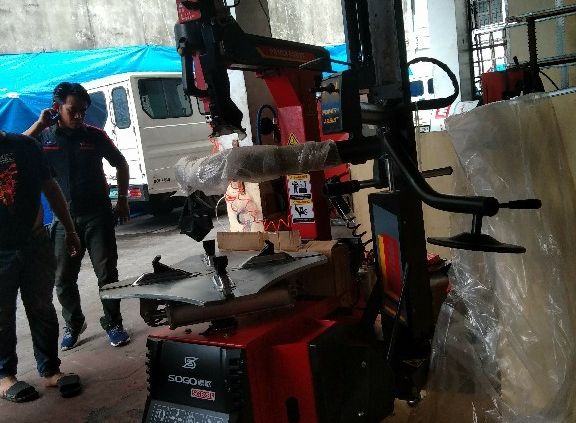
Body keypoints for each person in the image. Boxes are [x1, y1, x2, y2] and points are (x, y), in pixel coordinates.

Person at [24, 82, 131, 350]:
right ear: (57, 108)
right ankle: (74, 323)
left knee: (107, 274)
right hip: (64, 220)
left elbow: (120, 163)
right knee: (63, 279)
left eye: (83, 110)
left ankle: (113, 323)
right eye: (73, 110)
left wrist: (123, 199)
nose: (79, 116)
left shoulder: (95, 136)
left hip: (98, 217)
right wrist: (39, 124)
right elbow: (18, 147)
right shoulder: (44, 138)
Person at [0, 130, 82, 402]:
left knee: (42, 308)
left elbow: (50, 188)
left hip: (34, 243)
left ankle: (50, 371)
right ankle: (5, 376)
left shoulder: (26, 146)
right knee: (2, 315)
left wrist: (70, 229)